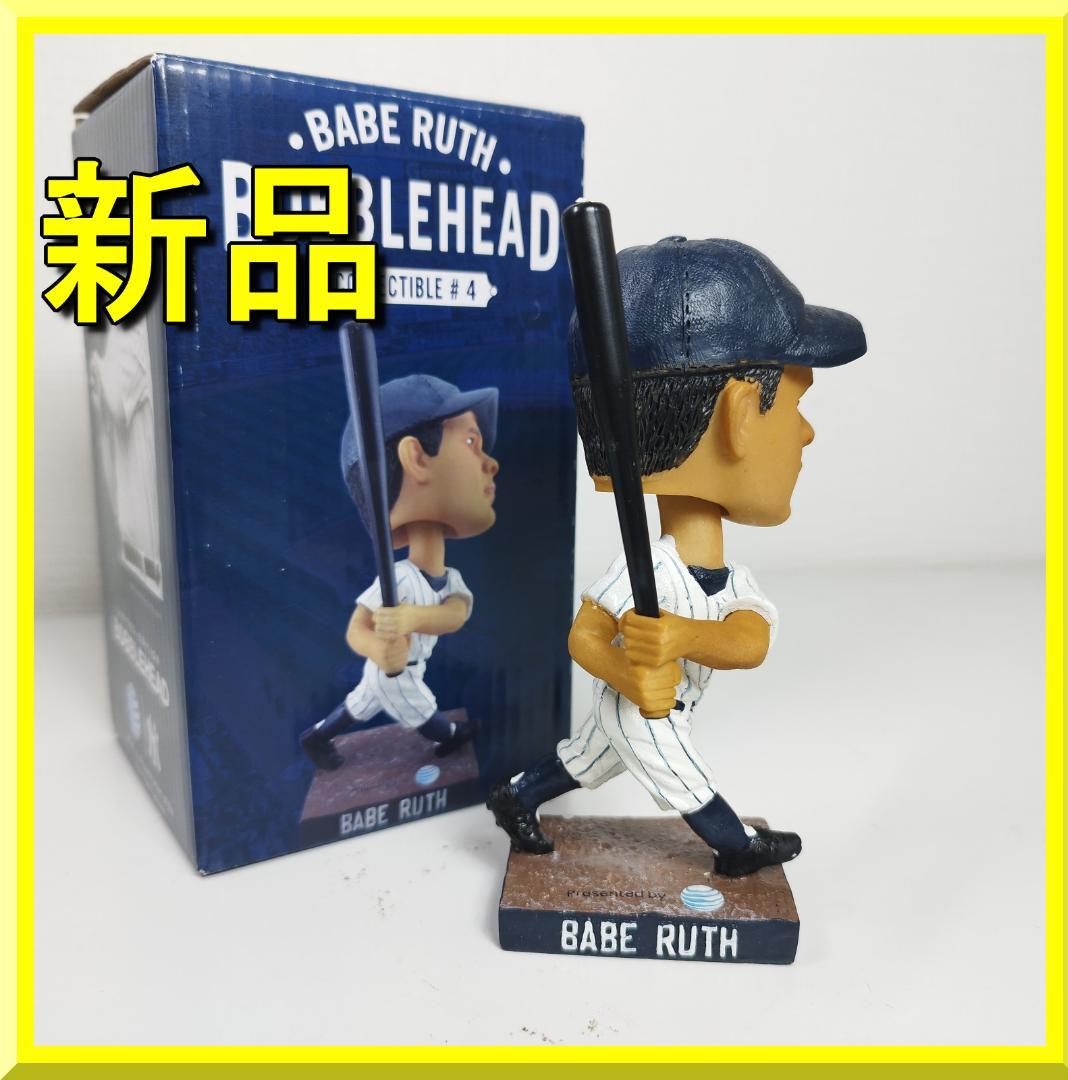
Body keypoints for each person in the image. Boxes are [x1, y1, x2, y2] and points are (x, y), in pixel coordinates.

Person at [488, 235, 866, 877]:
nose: (806, 432)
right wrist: (628, 672)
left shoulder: (724, 578)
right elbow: (584, 637)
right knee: (679, 769)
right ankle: (737, 848)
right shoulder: (653, 569)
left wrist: (680, 637)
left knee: (586, 760)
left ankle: (516, 797)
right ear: (739, 417)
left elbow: (750, 641)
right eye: (796, 404)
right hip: (644, 705)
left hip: (653, 692)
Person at [301, 374, 499, 770]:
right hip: (396, 671)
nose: (491, 463)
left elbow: (456, 613)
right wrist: (377, 649)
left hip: (397, 666)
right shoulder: (401, 577)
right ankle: (451, 737)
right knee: (421, 707)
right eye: (471, 442)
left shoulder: (448, 578)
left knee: (358, 704)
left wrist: (412, 618)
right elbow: (357, 628)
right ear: (416, 458)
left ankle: (316, 737)